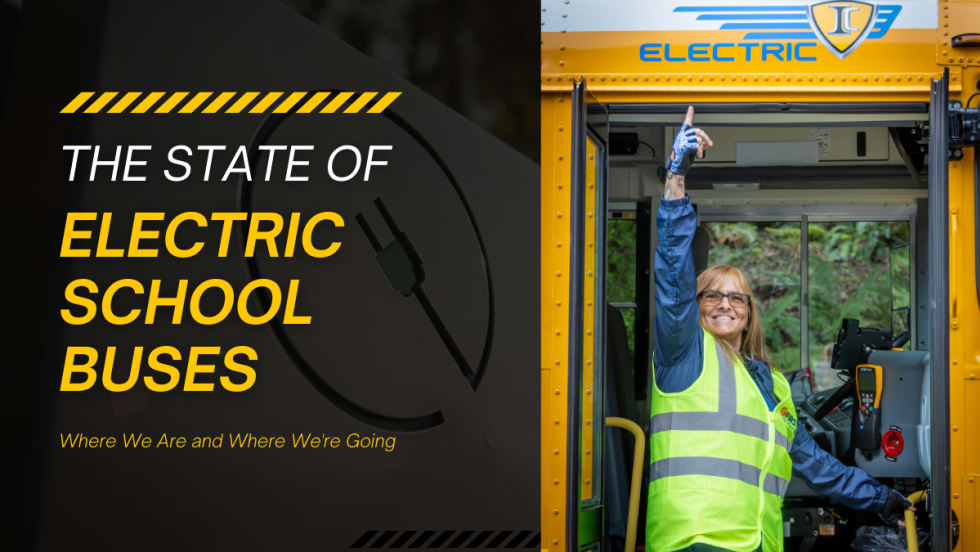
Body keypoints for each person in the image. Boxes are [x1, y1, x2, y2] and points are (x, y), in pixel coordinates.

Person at [646, 106, 911, 552]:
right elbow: (672, 274)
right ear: (695, 308)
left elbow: (817, 466)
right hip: (693, 542)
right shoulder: (683, 354)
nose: (725, 304)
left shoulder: (771, 386)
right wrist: (676, 178)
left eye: (736, 297)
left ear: (749, 312)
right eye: (711, 295)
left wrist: (888, 501)